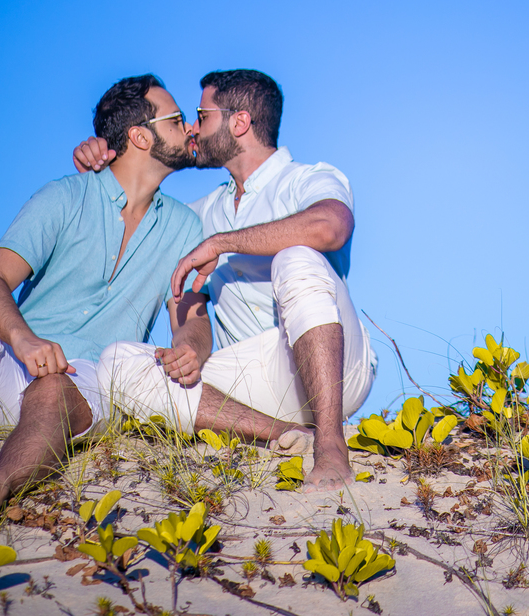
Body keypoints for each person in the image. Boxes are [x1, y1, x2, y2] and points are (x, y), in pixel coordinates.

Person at [0, 75, 208, 521]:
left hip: (89, 383)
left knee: (54, 388)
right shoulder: (64, 196)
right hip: (14, 365)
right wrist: (22, 339)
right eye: (178, 119)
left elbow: (189, 314)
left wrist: (190, 346)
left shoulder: (186, 227)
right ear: (140, 135)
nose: (189, 128)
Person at [73, 69, 376, 492]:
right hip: (251, 386)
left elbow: (331, 227)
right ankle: (284, 434)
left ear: (239, 122)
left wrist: (224, 242)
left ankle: (330, 446)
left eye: (201, 114)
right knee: (118, 363)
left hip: (335, 368)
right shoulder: (197, 214)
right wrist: (103, 164)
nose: (192, 128)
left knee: (296, 258)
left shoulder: (308, 178)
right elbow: (134, 216)